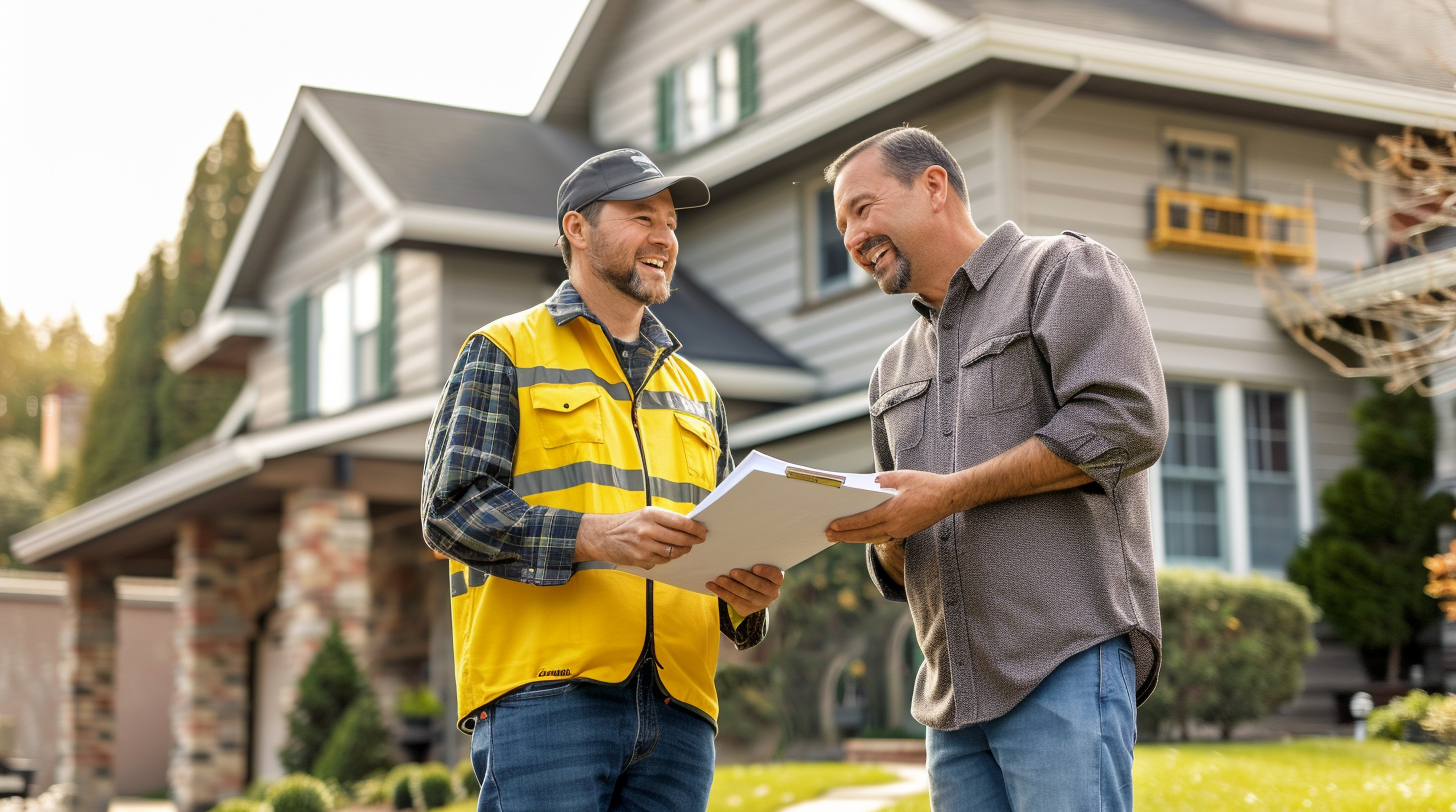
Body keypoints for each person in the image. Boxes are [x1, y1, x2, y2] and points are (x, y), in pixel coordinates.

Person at [420, 148, 784, 812]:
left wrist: (748, 598)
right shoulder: (503, 351)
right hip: (544, 697)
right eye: (642, 216)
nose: (665, 238)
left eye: (672, 224)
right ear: (577, 230)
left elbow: (722, 539)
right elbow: (451, 510)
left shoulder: (698, 392)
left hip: (680, 711)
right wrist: (594, 537)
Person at [823, 127, 1167, 811]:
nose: (852, 239)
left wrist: (948, 495)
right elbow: (905, 549)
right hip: (952, 703)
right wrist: (887, 535)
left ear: (933, 187)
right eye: (840, 226)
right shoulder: (891, 370)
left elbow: (1124, 422)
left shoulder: (1061, 271)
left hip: (1063, 663)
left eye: (863, 209)